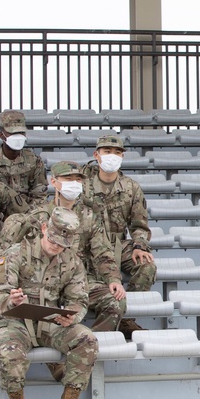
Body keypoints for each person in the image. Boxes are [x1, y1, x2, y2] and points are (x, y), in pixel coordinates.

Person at [0, 207, 98, 399]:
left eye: (62, 244)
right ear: (44, 228)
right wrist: (12, 300)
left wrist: (73, 316)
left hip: (50, 322)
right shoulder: (15, 254)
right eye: (53, 240)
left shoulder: (72, 261)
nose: (56, 247)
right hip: (14, 320)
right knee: (8, 349)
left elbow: (79, 299)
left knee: (87, 340)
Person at [0, 161, 125, 348]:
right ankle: (53, 360)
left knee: (115, 300)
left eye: (77, 179)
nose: (73, 183)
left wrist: (113, 278)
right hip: (40, 282)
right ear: (54, 182)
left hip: (77, 278)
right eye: (68, 178)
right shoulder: (38, 216)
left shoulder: (89, 216)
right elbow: (10, 252)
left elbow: (102, 251)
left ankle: (90, 349)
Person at [81, 134, 156, 336]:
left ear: (123, 156)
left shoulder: (131, 187)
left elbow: (139, 224)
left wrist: (139, 245)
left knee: (147, 266)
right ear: (97, 155)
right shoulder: (83, 185)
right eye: (107, 152)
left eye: (117, 152)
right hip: (88, 246)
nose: (112, 156)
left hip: (118, 244)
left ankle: (125, 319)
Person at [0, 110, 47, 206]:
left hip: (27, 214)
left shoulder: (34, 161)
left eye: (21, 132)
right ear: (2, 135)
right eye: (13, 133)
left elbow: (39, 196)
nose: (18, 137)